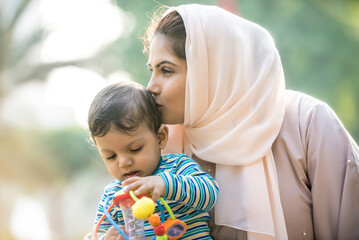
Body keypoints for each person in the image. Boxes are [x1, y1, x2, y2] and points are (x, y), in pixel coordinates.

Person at [144, 4, 359, 240]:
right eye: (152, 70)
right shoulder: (164, 146)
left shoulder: (308, 123)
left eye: (165, 70)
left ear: (212, 69)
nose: (150, 87)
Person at [87, 81, 219, 240]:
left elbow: (210, 194)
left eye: (135, 149)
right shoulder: (112, 196)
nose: (123, 162)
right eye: (111, 156)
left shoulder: (177, 166)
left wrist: (166, 184)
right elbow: (95, 235)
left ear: (160, 137)